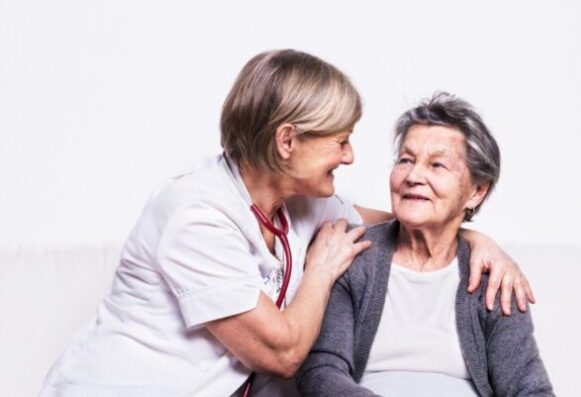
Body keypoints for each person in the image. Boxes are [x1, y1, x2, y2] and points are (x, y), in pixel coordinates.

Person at [40, 51, 535, 397]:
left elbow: (406, 217)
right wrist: (319, 271)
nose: (349, 156)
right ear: (286, 141)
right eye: (339, 141)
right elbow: (283, 354)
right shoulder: (193, 216)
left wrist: (474, 237)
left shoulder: (301, 201)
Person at [297, 92, 554, 397]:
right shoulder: (350, 254)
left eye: (437, 165)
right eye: (406, 160)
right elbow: (321, 371)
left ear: (476, 191)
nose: (414, 175)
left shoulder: (494, 277)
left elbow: (529, 388)